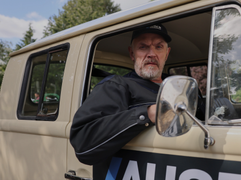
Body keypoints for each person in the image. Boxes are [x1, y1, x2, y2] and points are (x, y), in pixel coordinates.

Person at [70, 24, 171, 179]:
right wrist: (147, 113)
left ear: (167, 53)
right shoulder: (117, 86)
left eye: (159, 47)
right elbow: (83, 142)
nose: (152, 54)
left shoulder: (180, 88)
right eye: (143, 47)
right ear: (132, 53)